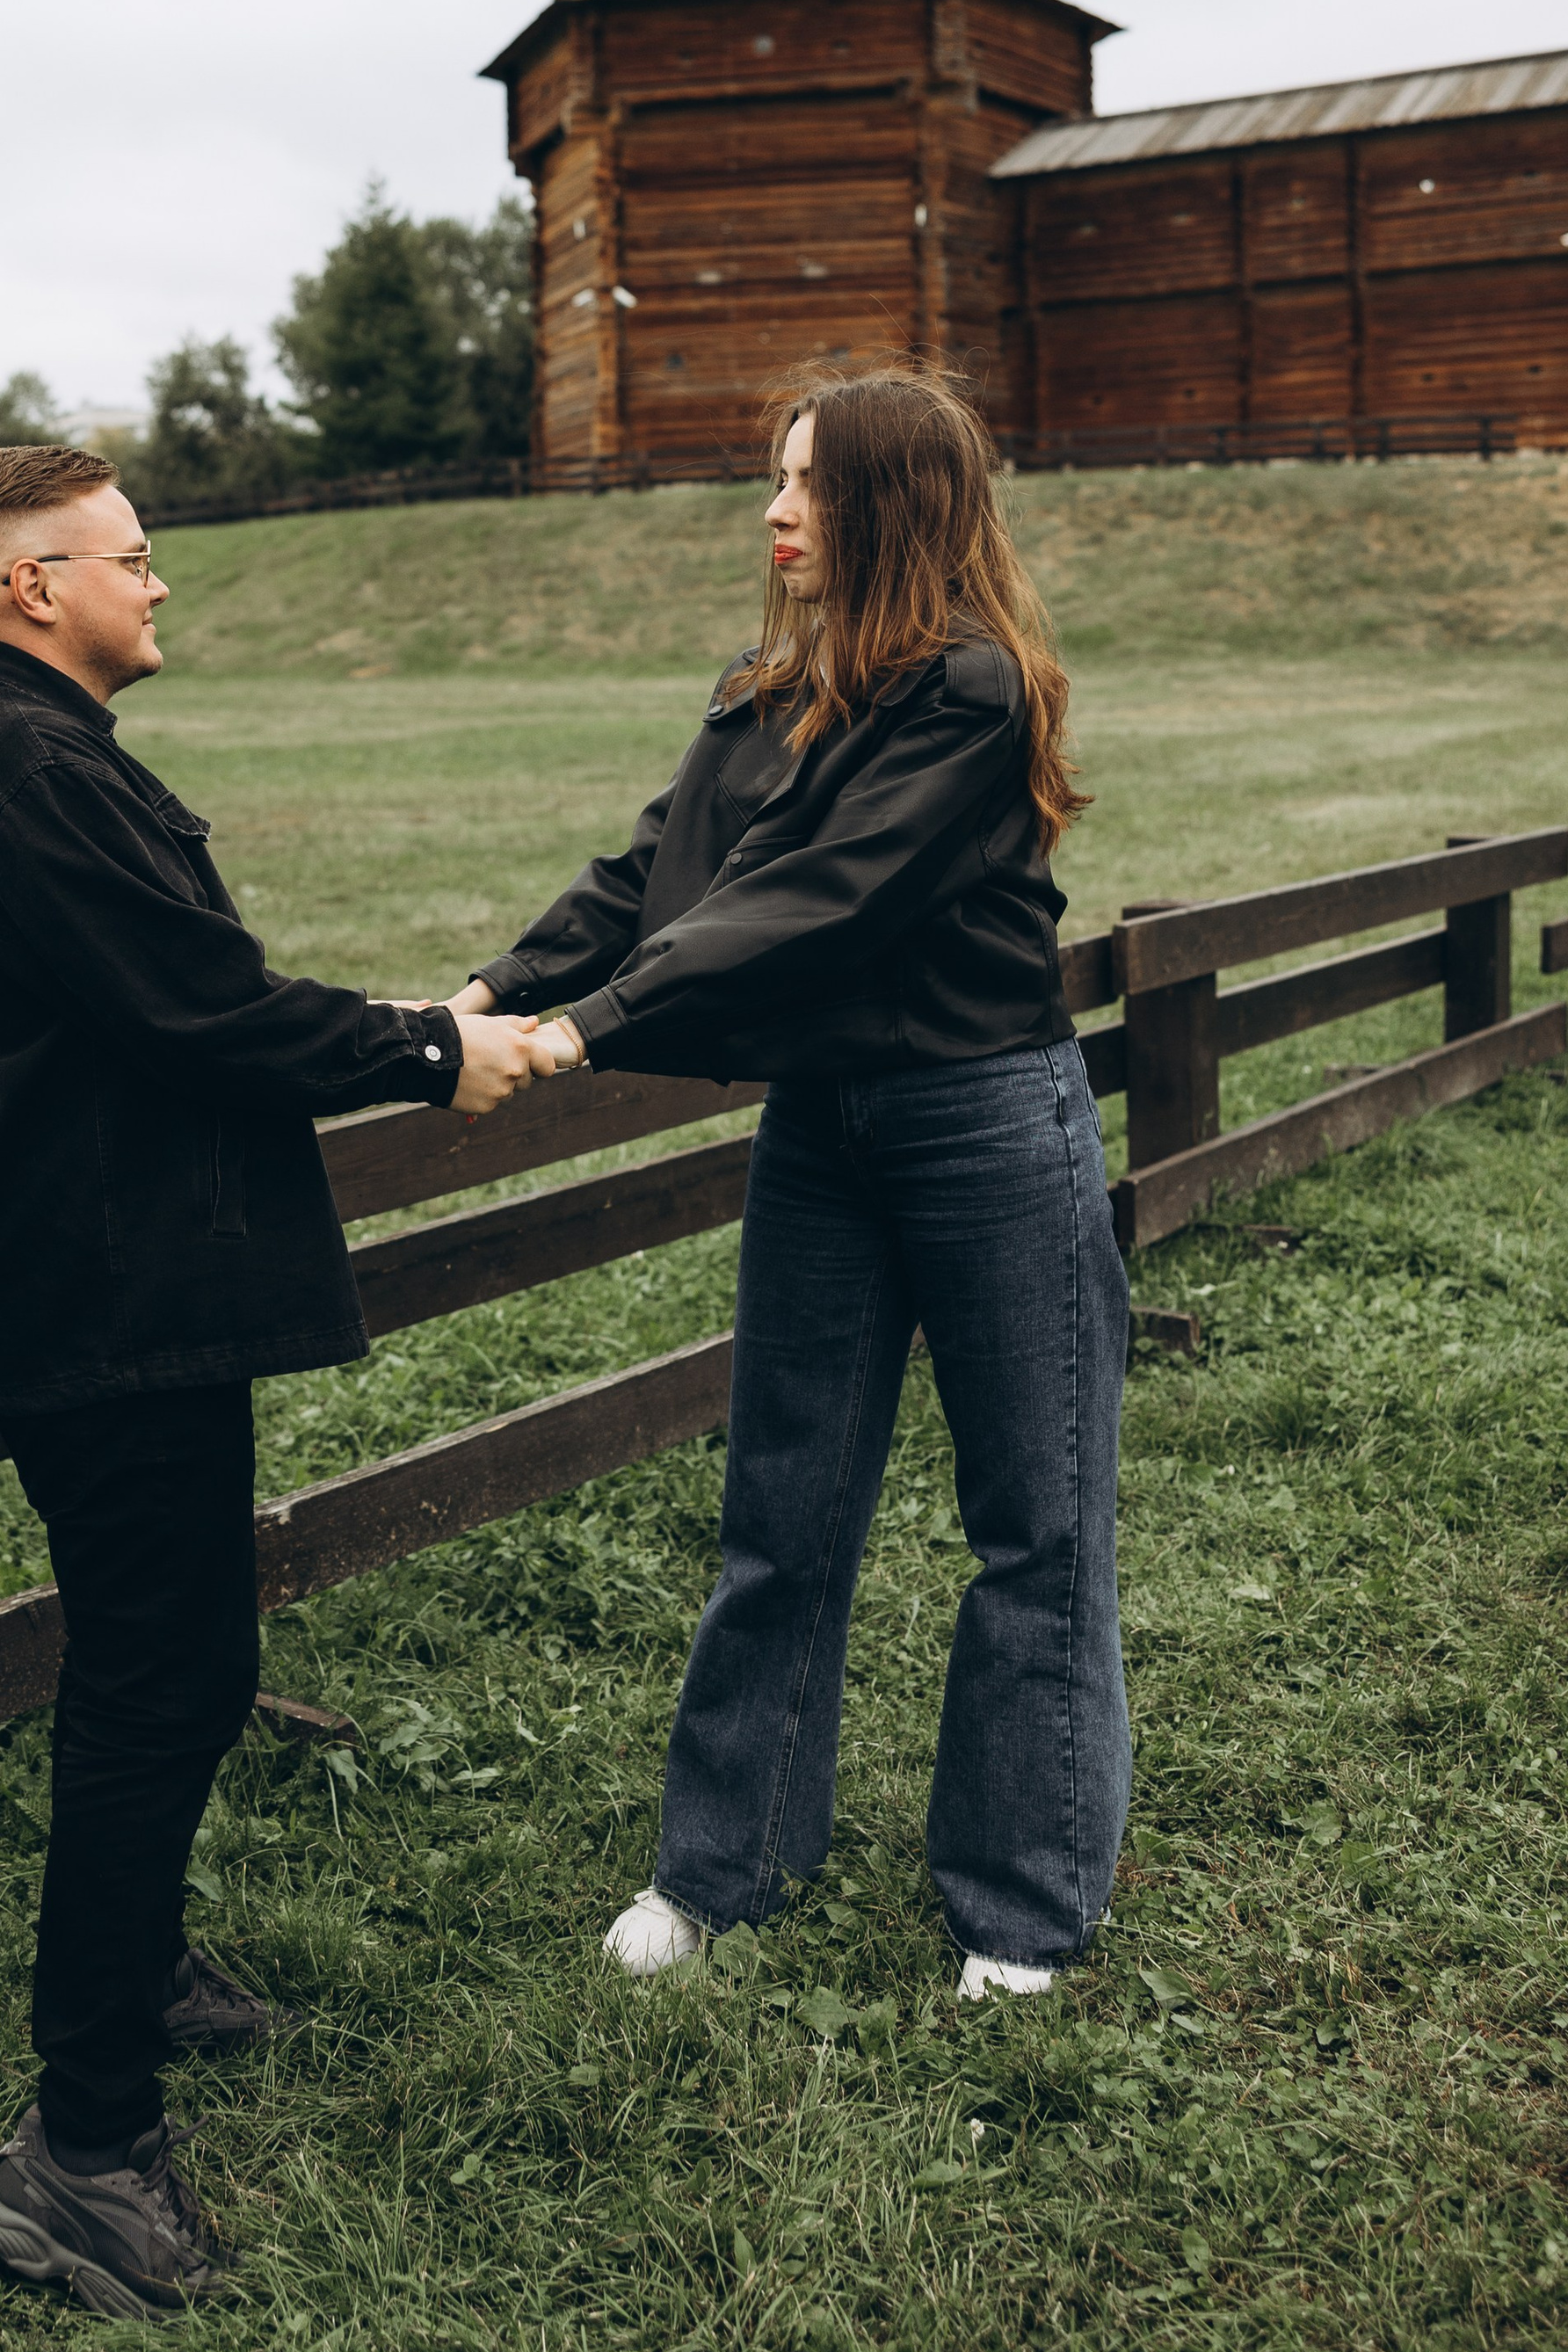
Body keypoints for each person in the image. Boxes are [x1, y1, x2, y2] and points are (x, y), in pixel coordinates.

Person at [0, 441, 549, 2317]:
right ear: (37, 587)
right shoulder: (20, 771)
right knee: (154, 1675)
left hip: (122, 1289)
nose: (157, 584)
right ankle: (77, 2154)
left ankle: (139, 1968)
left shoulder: (34, 757)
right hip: (100, 1313)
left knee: (181, 1663)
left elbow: (174, 1010)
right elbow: (207, 1012)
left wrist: (422, 1035)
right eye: (131, 558)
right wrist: (432, 1047)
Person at [446, 363, 1130, 2000]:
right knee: (783, 1508)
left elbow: (816, 898)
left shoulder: (971, 691)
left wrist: (590, 1032)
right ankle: (723, 1864)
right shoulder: (767, 686)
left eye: (810, 484)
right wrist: (485, 995)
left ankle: (1021, 1912)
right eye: (777, 477)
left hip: (986, 1126)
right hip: (827, 1129)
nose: (774, 510)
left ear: (892, 506)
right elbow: (655, 868)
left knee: (1034, 1526)